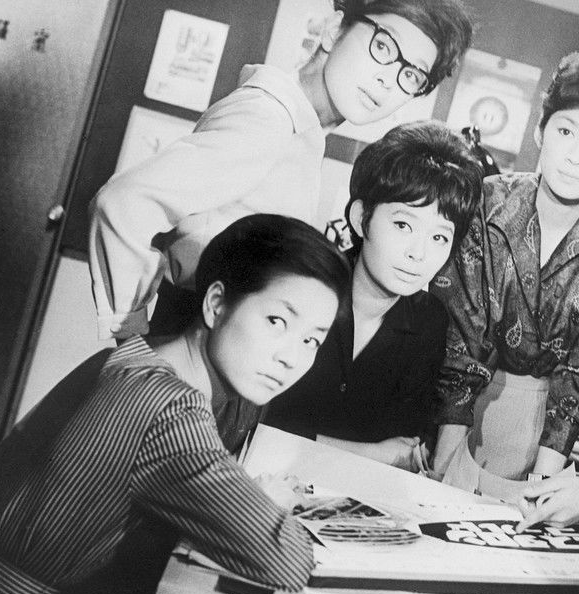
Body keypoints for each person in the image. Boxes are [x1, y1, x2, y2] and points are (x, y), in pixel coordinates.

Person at [0, 215, 351, 594]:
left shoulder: (141, 358)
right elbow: (287, 560)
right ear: (216, 304)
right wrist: (265, 504)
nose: (291, 358)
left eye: (311, 341)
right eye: (277, 321)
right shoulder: (171, 411)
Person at [88, 0, 473, 341]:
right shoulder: (269, 119)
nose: (387, 80)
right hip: (189, 332)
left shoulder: (301, 129)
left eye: (412, 75)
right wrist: (131, 340)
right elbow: (122, 203)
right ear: (333, 29)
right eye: (384, 46)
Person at [264, 120, 483, 471]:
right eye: (403, 225)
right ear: (361, 217)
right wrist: (367, 453)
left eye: (439, 237)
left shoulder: (428, 321)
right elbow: (254, 423)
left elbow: (405, 444)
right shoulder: (302, 286)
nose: (418, 253)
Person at [430, 52, 579, 502]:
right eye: (567, 131)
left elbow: (575, 377)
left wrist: (544, 486)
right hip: (457, 410)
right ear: (540, 131)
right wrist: (444, 467)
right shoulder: (487, 202)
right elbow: (461, 336)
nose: (576, 157)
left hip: (555, 431)